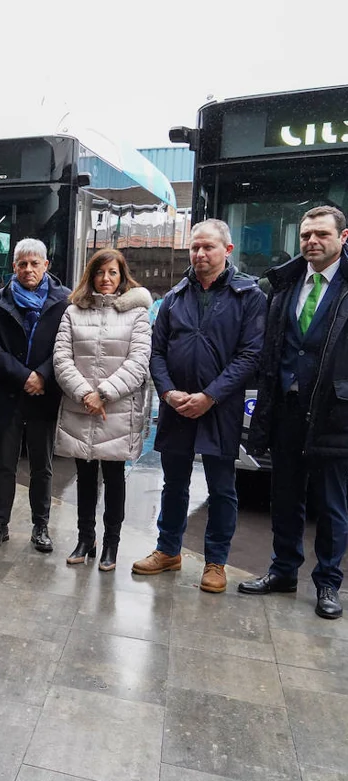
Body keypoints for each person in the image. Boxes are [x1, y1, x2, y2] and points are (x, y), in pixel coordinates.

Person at [135, 220, 266, 592]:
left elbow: (250, 354)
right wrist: (167, 392)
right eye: (194, 247)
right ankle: (167, 550)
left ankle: (215, 562)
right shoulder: (175, 297)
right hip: (176, 406)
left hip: (220, 408)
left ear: (228, 250)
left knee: (222, 488)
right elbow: (156, 351)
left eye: (208, 247)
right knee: (173, 483)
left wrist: (210, 395)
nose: (199, 254)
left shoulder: (249, 296)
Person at [241, 205, 348, 619]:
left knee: (332, 505)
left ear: (343, 238)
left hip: (334, 414)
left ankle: (327, 584)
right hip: (285, 408)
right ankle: (283, 571)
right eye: (305, 236)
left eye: (321, 234)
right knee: (284, 498)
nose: (312, 242)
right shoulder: (284, 285)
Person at [53, 249, 153, 571]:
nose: (106, 279)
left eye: (113, 273)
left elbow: (138, 363)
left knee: (114, 479)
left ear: (122, 277)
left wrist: (104, 394)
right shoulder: (73, 312)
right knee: (83, 477)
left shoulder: (137, 314)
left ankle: (111, 542)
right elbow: (61, 359)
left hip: (117, 412)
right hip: (81, 407)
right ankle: (86, 538)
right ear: (91, 276)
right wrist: (85, 393)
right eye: (100, 273)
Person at [0, 239, 70, 553]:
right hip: (8, 392)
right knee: (4, 464)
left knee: (42, 466)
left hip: (45, 393)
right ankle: (0, 523)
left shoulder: (65, 300)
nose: (28, 269)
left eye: (35, 263)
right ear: (14, 267)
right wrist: (25, 377)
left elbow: (66, 346)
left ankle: (41, 525)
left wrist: (42, 375)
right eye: (22, 264)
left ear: (46, 265)